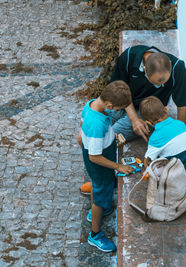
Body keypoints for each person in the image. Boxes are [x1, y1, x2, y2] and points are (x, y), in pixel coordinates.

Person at [80, 45, 186, 194]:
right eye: (156, 83)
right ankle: (98, 180)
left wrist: (178, 135)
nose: (160, 86)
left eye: (163, 82)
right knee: (94, 129)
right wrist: (133, 119)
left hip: (145, 112)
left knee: (107, 138)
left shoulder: (178, 67)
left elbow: (182, 106)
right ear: (144, 69)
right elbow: (116, 88)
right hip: (121, 104)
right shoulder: (128, 57)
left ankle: (102, 183)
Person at [80, 80, 134, 252]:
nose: (117, 112)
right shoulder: (97, 124)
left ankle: (101, 207)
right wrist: (118, 166)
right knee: (101, 191)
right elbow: (95, 156)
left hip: (101, 155)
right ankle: (95, 234)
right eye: (118, 109)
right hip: (99, 163)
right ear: (110, 105)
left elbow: (81, 134)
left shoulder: (91, 105)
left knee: (101, 188)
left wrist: (112, 138)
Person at [140, 96, 186, 179]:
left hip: (178, 176)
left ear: (148, 122)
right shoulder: (180, 124)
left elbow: (147, 161)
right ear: (166, 109)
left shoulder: (155, 138)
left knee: (154, 168)